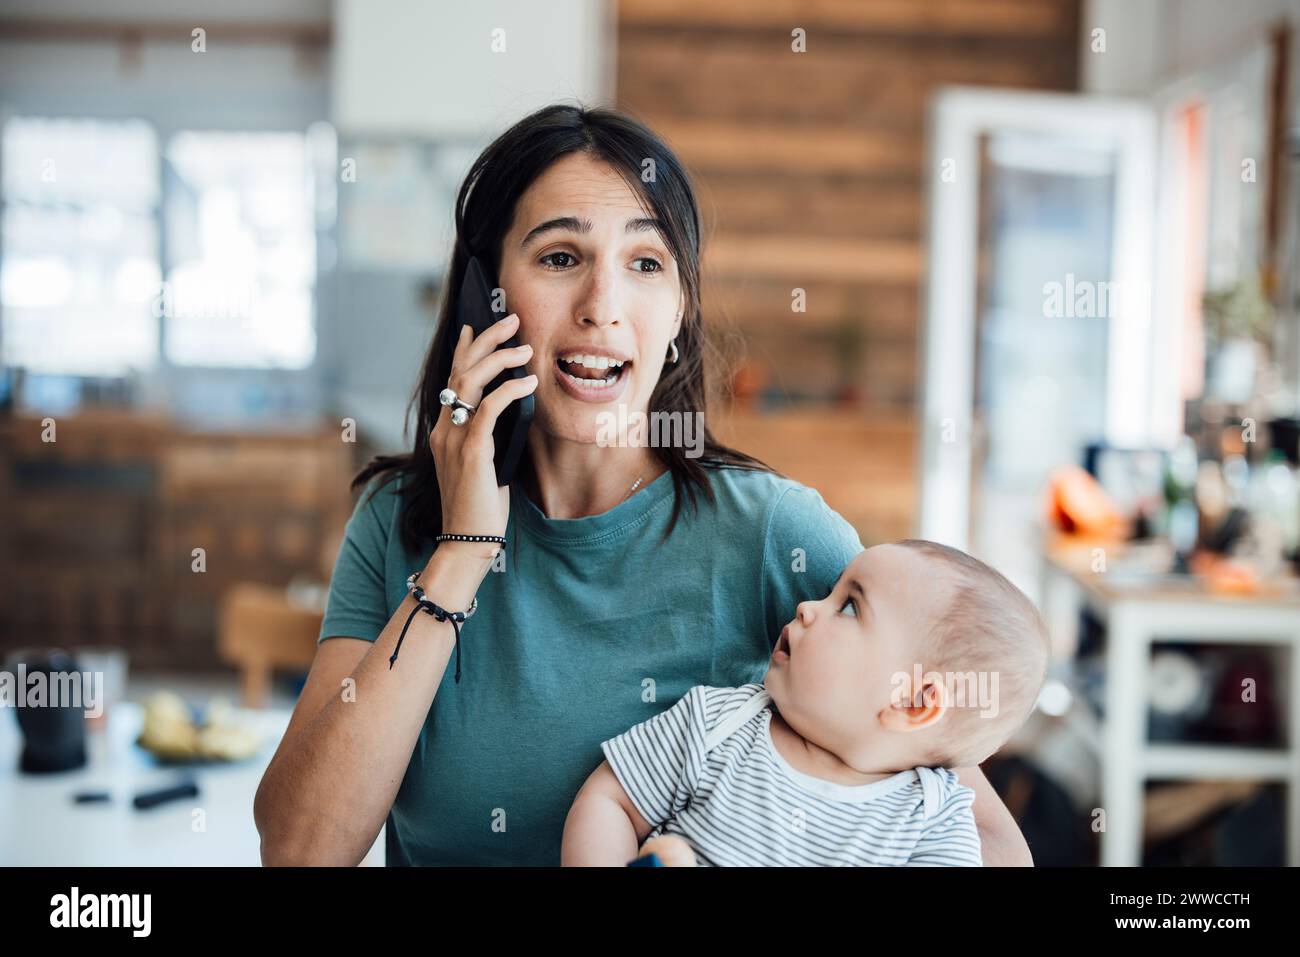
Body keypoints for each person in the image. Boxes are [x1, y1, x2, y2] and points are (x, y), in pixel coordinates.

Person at [253, 103, 1033, 866]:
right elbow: (299, 849)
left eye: (646, 264)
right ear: (485, 295)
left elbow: (989, 846)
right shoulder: (394, 522)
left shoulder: (779, 537)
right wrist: (461, 552)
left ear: (679, 309)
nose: (603, 307)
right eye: (561, 258)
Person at [563, 540, 1050, 865]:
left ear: (913, 702)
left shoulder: (932, 821)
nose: (807, 606)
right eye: (830, 592)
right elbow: (612, 802)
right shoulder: (718, 722)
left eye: (850, 606)